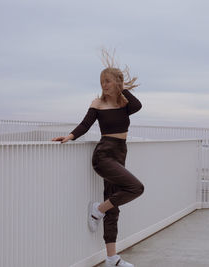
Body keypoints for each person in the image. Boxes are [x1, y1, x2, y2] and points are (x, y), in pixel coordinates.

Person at [52, 56, 144, 267]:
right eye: (102, 81)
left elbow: (138, 105)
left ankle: (112, 258)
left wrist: (122, 90)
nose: (104, 85)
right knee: (136, 187)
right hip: (104, 155)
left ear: (117, 83)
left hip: (120, 153)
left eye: (108, 81)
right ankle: (98, 210)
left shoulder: (125, 104)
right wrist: (69, 136)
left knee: (114, 205)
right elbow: (85, 125)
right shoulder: (98, 103)